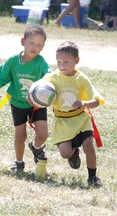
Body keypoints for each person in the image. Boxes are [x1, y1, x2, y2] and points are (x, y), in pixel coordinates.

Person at [0, 24, 51, 172]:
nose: (34, 47)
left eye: (39, 45)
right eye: (31, 42)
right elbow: (1, 77)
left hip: (37, 104)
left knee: (43, 134)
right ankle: (19, 162)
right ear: (23, 41)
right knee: (20, 136)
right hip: (17, 103)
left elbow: (49, 74)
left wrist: (48, 81)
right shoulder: (14, 61)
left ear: (43, 47)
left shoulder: (40, 62)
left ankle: (35, 147)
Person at [43, 41, 104, 187]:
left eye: (66, 61)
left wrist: (84, 103)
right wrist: (33, 97)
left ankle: (93, 177)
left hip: (81, 119)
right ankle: (73, 153)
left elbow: (96, 100)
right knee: (65, 153)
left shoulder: (81, 79)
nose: (62, 65)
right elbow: (38, 90)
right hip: (62, 121)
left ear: (76, 60)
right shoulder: (51, 78)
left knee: (89, 146)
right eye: (58, 61)